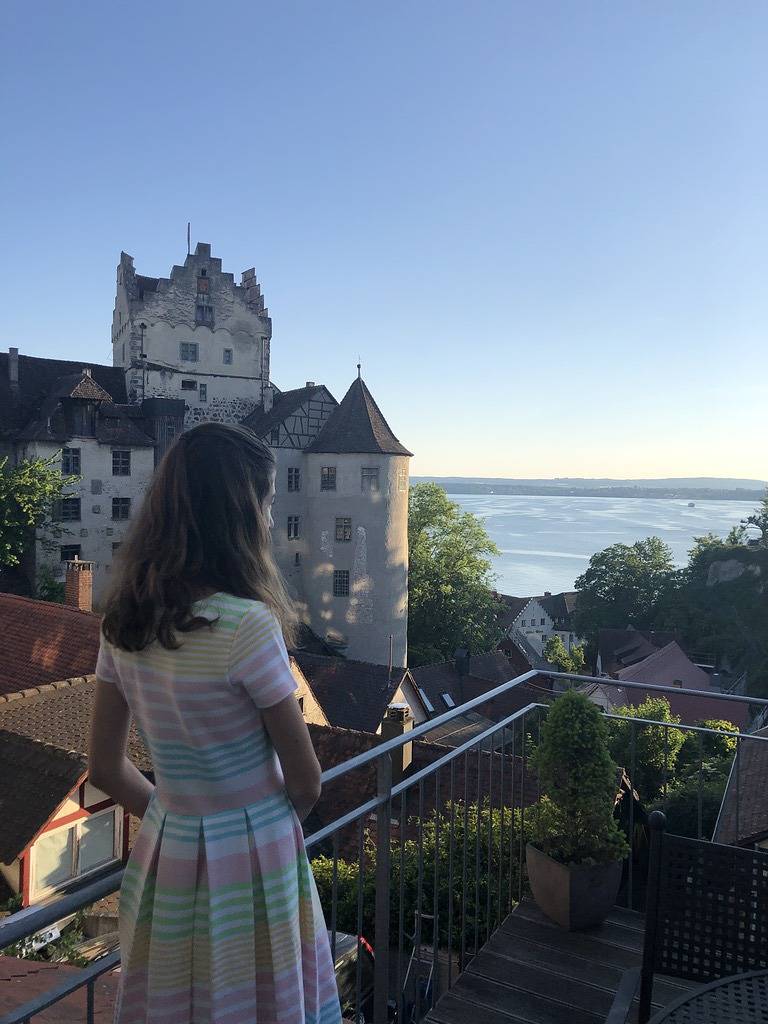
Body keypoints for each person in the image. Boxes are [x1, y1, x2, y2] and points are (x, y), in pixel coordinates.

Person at [89, 423, 342, 1024]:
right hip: (255, 860)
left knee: (178, 999)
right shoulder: (246, 625)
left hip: (168, 853)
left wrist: (175, 814)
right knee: (260, 1000)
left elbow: (103, 767)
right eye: (267, 502)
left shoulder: (124, 621)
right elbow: (306, 780)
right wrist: (252, 828)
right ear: (239, 515)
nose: (270, 518)